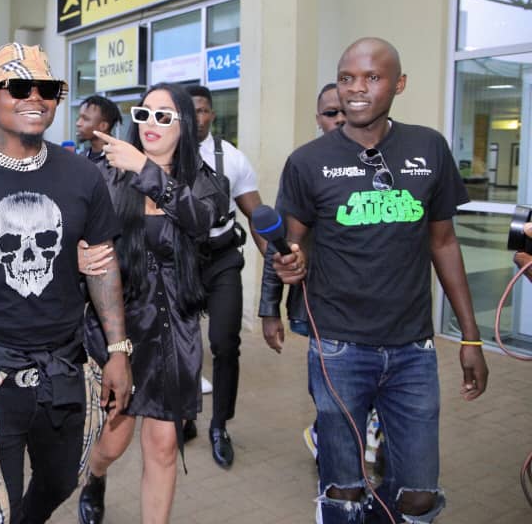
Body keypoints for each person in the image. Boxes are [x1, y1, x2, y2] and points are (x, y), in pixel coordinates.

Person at [0, 43, 132, 524]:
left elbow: (102, 267)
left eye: (46, 89)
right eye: (18, 87)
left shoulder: (83, 176)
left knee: (62, 480)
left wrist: (118, 350)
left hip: (65, 367)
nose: (35, 97)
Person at [273, 37, 489, 522]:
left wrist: (471, 337)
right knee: (345, 490)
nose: (356, 89)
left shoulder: (428, 147)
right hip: (339, 349)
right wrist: (288, 267)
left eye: (372, 77)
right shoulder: (307, 161)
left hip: (413, 350)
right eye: (346, 78)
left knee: (418, 495)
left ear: (399, 84)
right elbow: (290, 244)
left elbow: (444, 243)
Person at [78, 83, 221, 524]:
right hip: (118, 325)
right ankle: (95, 476)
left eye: (164, 116)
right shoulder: (105, 176)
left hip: (174, 329)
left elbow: (199, 221)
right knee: (114, 441)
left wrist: (144, 168)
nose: (151, 124)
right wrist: (77, 255)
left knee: (162, 445)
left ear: (185, 125)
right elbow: (75, 235)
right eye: (143, 114)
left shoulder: (203, 181)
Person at [259, 82, 349, 462]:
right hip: (320, 304)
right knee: (334, 393)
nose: (340, 119)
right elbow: (277, 241)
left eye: (345, 110)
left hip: (377, 308)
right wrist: (269, 309)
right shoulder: (305, 165)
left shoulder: (384, 165)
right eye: (331, 113)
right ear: (318, 119)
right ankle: (327, 440)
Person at [178, 84, 266, 469]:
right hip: (180, 262)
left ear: (211, 115)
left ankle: (219, 426)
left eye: (202, 110)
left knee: (225, 343)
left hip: (222, 260)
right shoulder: (163, 156)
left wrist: (276, 257)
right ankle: (186, 416)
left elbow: (256, 214)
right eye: (188, 110)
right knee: (181, 346)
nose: (195, 117)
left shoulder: (231, 158)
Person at [75, 94, 122, 164]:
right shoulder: (80, 157)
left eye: (85, 119)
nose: (78, 123)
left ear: (103, 126)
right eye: (79, 118)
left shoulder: (119, 160)